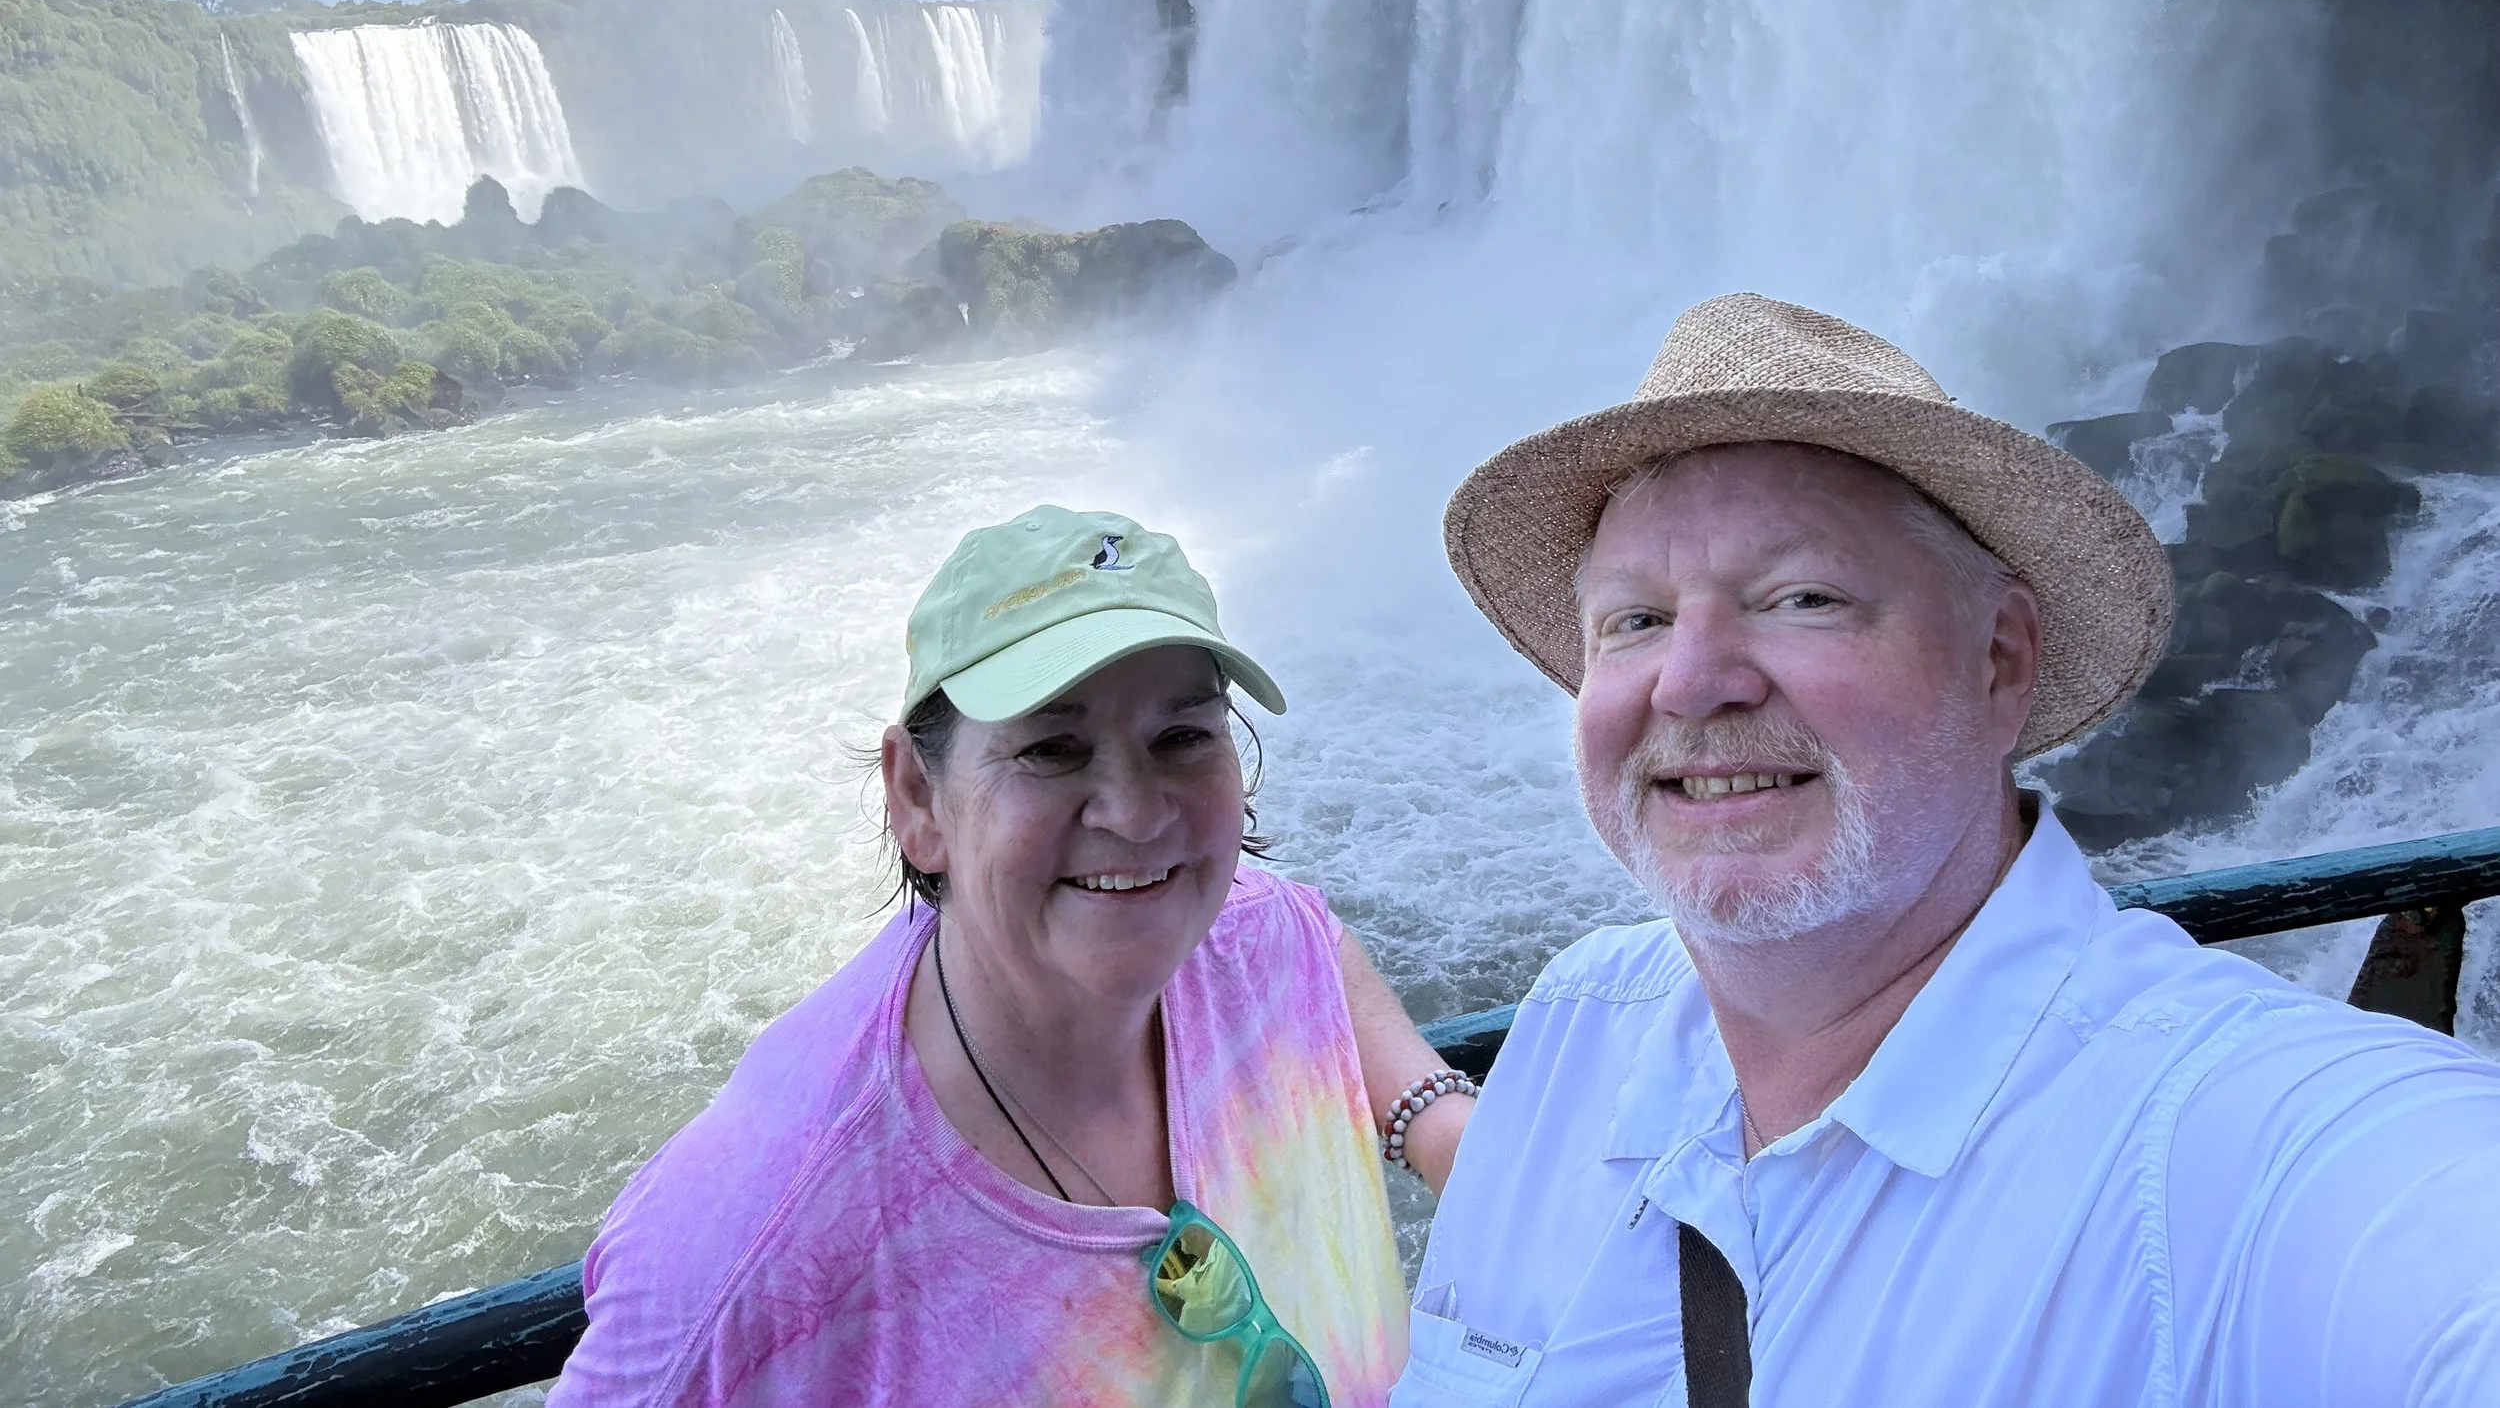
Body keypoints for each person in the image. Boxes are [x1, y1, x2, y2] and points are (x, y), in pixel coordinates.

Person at [1396, 293, 2500, 1407]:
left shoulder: (2231, 1150)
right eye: (1634, 620)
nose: (1689, 680)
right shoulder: (1576, 1020)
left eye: (1802, 597)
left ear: (2000, 657)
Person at [553, 505, 1473, 1407]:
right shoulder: (752, 1261)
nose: (1136, 811)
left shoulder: (1245, 932)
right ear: (917, 795)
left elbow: (1300, 941)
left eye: (1182, 735)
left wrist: (1430, 1115)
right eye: (1053, 749)